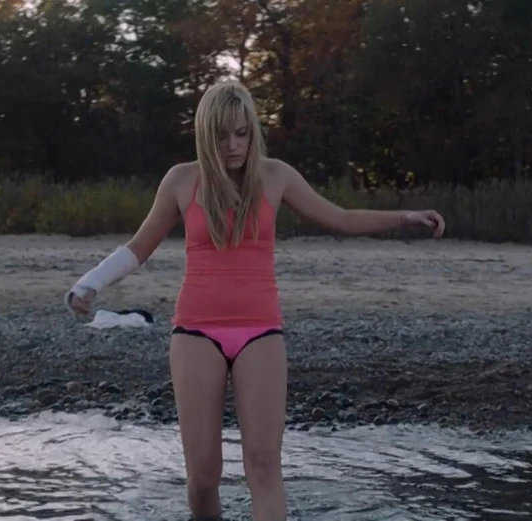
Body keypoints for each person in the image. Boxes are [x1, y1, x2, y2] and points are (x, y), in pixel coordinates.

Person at [64, 80, 445, 521]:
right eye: (223, 135)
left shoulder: (275, 175)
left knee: (264, 465)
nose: (233, 145)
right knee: (202, 477)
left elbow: (340, 217)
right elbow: (138, 247)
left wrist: (405, 217)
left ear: (252, 132)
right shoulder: (181, 180)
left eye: (242, 133)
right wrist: (89, 284)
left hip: (260, 331)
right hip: (195, 332)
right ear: (205, 134)